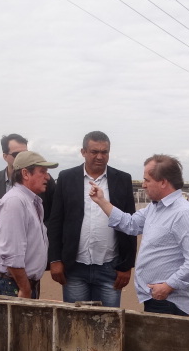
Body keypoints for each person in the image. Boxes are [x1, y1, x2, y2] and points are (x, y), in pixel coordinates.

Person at [89, 154, 189, 316]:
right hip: (155, 297)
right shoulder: (155, 208)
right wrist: (102, 201)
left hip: (169, 300)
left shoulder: (184, 213)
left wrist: (168, 286)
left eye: (147, 180)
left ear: (163, 182)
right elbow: (129, 224)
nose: (143, 185)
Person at [47, 131, 137, 307]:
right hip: (74, 267)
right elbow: (56, 221)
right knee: (75, 323)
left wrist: (127, 266)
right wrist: (55, 259)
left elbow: (129, 224)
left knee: (108, 323)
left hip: (110, 268)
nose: (100, 157)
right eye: (94, 151)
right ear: (83, 152)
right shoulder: (66, 178)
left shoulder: (123, 180)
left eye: (104, 152)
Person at [0, 134, 55, 284]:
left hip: (28, 271)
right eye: (17, 154)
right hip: (7, 274)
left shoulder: (41, 188)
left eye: (25, 153)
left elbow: (52, 218)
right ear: (5, 156)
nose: (47, 177)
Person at [0, 151, 58, 299]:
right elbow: (12, 254)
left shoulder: (31, 202)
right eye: (42, 172)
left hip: (17, 285)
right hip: (11, 287)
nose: (47, 177)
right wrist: (25, 288)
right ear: (25, 173)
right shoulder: (15, 202)